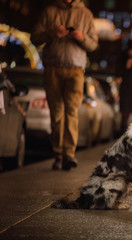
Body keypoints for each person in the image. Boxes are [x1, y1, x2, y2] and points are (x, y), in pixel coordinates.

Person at [31, 0, 98, 170]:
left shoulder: (85, 13)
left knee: (71, 111)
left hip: (75, 69)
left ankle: (69, 154)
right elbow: (35, 37)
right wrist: (52, 33)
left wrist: (82, 38)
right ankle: (58, 155)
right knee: (57, 112)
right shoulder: (50, 10)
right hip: (53, 67)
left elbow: (93, 44)